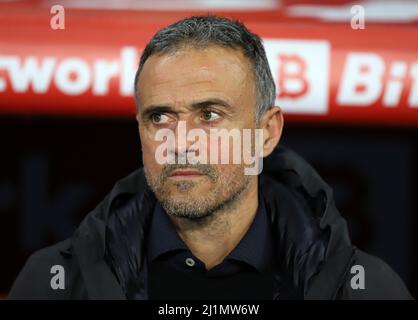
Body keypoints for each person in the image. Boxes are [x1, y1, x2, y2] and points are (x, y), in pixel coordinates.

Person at [9, 15, 413, 300]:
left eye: (210, 115)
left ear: (267, 133)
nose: (181, 141)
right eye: (160, 116)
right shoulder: (52, 284)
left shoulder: (365, 289)